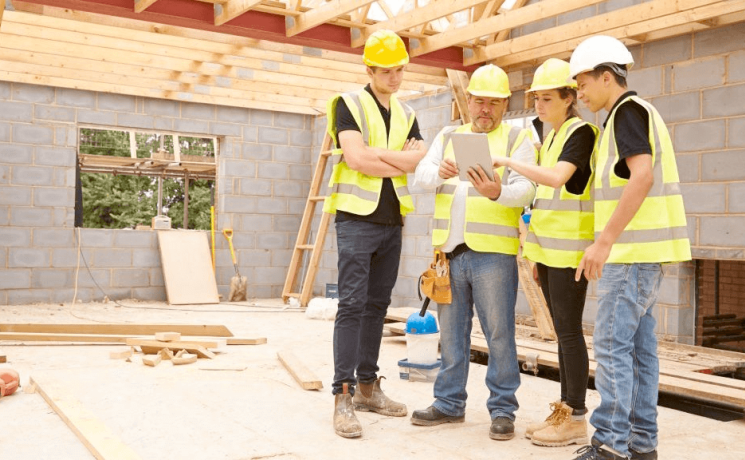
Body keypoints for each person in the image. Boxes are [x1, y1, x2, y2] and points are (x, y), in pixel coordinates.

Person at [568, 35, 692, 460]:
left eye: (583, 83)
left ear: (607, 77)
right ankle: (641, 445)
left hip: (631, 257)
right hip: (644, 256)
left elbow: (641, 177)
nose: (579, 92)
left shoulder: (626, 113)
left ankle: (610, 446)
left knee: (611, 346)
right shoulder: (632, 115)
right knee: (639, 350)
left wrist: (603, 243)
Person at [411, 64, 537, 441]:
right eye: (479, 101)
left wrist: (499, 192)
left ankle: (502, 410)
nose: (485, 109)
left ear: (505, 104)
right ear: (469, 101)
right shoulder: (449, 135)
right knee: (451, 335)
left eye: (493, 103)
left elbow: (529, 189)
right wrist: (441, 172)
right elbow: (420, 177)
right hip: (450, 253)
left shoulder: (517, 140)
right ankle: (449, 404)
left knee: (499, 335)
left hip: (493, 255)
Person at [323, 29, 427, 439]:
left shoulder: (407, 112)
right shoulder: (347, 104)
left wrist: (379, 155)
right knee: (351, 305)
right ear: (369, 68)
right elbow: (355, 158)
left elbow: (416, 162)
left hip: (391, 220)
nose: (396, 78)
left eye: (401, 70)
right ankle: (342, 394)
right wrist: (397, 159)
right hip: (355, 218)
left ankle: (368, 385)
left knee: (377, 306)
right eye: (388, 71)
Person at [492, 58, 598, 448]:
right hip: (550, 251)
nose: (539, 105)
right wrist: (534, 253)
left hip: (571, 252)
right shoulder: (550, 136)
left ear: (569, 98)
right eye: (536, 98)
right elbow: (543, 200)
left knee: (570, 334)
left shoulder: (581, 133)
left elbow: (556, 179)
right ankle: (564, 411)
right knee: (561, 334)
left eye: (547, 98)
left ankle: (575, 417)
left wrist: (506, 160)